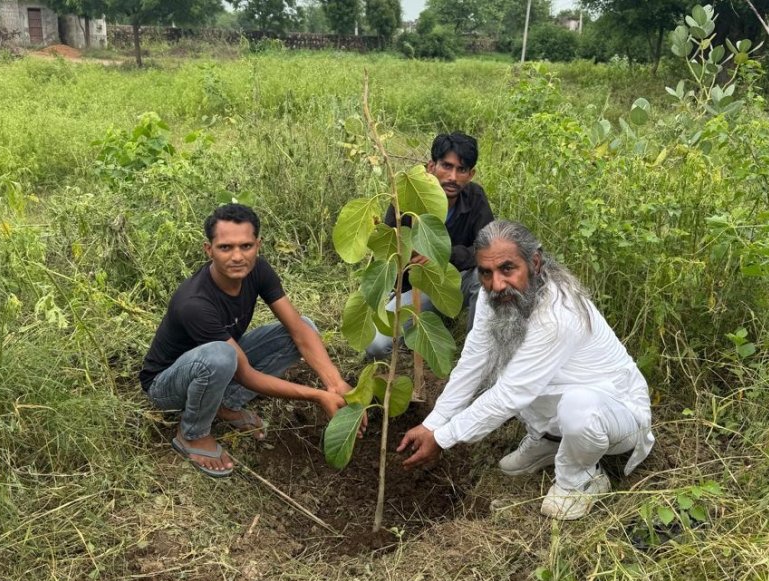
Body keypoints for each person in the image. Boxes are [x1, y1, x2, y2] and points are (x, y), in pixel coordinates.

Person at [397, 220, 655, 520]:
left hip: (616, 413)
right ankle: (548, 439)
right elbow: (475, 358)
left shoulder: (559, 312)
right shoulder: (492, 295)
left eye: (508, 269)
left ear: (534, 262)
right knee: (507, 356)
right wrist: (434, 422)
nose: (496, 284)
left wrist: (443, 438)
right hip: (558, 399)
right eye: (485, 272)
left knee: (579, 407)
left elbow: (510, 394)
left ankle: (581, 479)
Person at [140, 203, 353, 478]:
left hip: (221, 362)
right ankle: (191, 434)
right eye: (225, 248)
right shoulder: (194, 302)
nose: (237, 257)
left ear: (258, 245)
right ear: (209, 250)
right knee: (220, 356)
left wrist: (335, 383)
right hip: (168, 384)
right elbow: (246, 373)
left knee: (304, 327)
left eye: (246, 246)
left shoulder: (258, 271)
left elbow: (299, 332)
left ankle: (225, 403)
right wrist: (318, 396)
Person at [365, 132, 494, 358]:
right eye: (447, 166)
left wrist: (442, 256)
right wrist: (404, 255)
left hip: (455, 280)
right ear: (431, 166)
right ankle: (433, 315)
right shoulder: (405, 199)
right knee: (375, 345)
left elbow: (487, 250)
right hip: (416, 287)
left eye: (461, 170)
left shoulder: (475, 198)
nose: (453, 176)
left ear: (471, 174)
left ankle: (476, 354)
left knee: (483, 280)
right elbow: (386, 253)